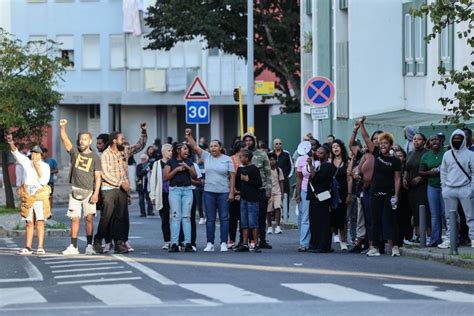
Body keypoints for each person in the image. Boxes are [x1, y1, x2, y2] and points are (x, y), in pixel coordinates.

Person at [93, 123, 147, 254]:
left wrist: (143, 132)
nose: (124, 141)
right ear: (114, 141)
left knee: (120, 217)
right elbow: (105, 173)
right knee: (106, 216)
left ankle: (118, 243)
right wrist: (120, 183)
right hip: (109, 189)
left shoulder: (124, 150)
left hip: (122, 189)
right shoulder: (105, 155)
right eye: (122, 139)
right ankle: (98, 240)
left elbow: (139, 145)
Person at [185, 129, 235, 252]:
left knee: (224, 218)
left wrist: (231, 191)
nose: (213, 148)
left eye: (215, 146)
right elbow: (195, 147)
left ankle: (223, 242)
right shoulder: (207, 157)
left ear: (220, 147)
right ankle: (210, 243)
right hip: (209, 192)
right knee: (210, 219)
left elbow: (232, 176)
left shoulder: (227, 159)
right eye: (211, 146)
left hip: (223, 192)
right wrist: (189, 135)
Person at [59, 119, 102, 255]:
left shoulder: (95, 157)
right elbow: (66, 141)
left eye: (85, 139)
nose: (82, 141)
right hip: (75, 191)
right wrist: (62, 127)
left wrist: (96, 193)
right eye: (80, 139)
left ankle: (89, 245)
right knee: (75, 218)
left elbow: (98, 177)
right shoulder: (75, 153)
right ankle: (74, 246)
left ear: (90, 141)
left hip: (89, 192)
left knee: (89, 218)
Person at [6, 133, 50, 255]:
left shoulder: (45, 166)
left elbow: (44, 181)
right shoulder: (26, 162)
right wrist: (11, 142)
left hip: (39, 194)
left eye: (36, 154)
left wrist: (37, 167)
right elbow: (17, 154)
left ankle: (40, 247)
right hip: (28, 194)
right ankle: (28, 246)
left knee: (40, 221)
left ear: (41, 155)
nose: (34, 156)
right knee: (29, 221)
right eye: (33, 153)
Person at [361, 130, 401, 257]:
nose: (383, 145)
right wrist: (361, 125)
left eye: (386, 143)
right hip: (375, 192)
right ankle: (375, 248)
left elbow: (397, 178)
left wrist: (396, 195)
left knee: (390, 220)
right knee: (374, 221)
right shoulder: (376, 154)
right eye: (381, 143)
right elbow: (367, 138)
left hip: (389, 193)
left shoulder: (395, 161)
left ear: (390, 145)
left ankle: (394, 247)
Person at [352, 117, 383, 253]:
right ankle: (370, 245)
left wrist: (362, 125)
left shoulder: (380, 153)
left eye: (378, 139)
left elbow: (365, 138)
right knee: (368, 218)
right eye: (374, 139)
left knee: (376, 219)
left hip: (378, 189)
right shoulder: (367, 154)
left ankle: (377, 245)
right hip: (366, 188)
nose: (375, 141)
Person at [438, 130, 474, 249]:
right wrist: (444, 188)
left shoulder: (470, 154)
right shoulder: (447, 154)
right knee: (449, 217)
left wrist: (471, 189)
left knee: (470, 216)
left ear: (464, 139)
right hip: (449, 189)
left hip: (465, 188)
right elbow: (443, 172)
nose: (457, 140)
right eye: (455, 138)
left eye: (459, 138)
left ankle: (473, 237)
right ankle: (449, 239)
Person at [163, 142, 197, 252]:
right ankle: (174, 243)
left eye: (187, 149)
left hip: (187, 190)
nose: (187, 151)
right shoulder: (170, 162)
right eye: (185, 149)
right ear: (178, 150)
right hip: (175, 190)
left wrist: (187, 167)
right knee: (175, 217)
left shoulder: (189, 161)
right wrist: (177, 170)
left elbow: (195, 176)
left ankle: (187, 243)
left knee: (186, 217)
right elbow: (165, 177)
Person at [242, 133, 272, 250]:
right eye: (246, 140)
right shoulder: (242, 155)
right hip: (248, 190)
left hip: (261, 189)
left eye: (250, 140)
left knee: (261, 216)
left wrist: (269, 189)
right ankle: (249, 240)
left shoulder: (262, 154)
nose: (248, 142)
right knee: (248, 217)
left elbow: (268, 172)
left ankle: (262, 239)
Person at [307, 145, 337, 253]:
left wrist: (310, 165)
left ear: (327, 154)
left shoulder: (327, 166)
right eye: (318, 152)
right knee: (314, 221)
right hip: (316, 198)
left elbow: (316, 178)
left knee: (322, 222)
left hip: (322, 197)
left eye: (321, 153)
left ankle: (322, 245)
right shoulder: (320, 165)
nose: (318, 154)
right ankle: (315, 244)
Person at [419, 135, 446, 247]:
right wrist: (429, 173)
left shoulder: (446, 153)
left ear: (440, 141)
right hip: (432, 186)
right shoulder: (426, 156)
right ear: (429, 143)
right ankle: (435, 240)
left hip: (445, 186)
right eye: (431, 140)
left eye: (436, 139)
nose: (434, 141)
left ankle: (452, 238)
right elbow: (420, 172)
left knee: (446, 213)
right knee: (434, 214)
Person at [234, 149, 263, 252]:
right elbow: (237, 182)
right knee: (244, 222)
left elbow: (259, 183)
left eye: (241, 157)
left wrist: (248, 180)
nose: (240, 159)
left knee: (253, 222)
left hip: (253, 199)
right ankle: (244, 243)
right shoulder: (240, 169)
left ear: (247, 158)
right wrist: (237, 192)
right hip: (243, 198)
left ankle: (255, 243)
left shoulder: (254, 169)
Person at [404, 133, 430, 243]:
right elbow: (407, 168)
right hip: (411, 187)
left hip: (423, 186)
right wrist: (404, 178)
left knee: (424, 210)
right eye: (414, 139)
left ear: (424, 141)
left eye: (419, 139)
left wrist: (421, 177)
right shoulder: (410, 153)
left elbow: (431, 168)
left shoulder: (427, 153)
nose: (416, 141)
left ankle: (428, 235)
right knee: (414, 211)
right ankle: (418, 235)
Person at [150, 144, 173, 250]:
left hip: (174, 194)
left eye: (172, 150)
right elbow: (153, 181)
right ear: (163, 152)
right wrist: (153, 195)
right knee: (165, 219)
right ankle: (167, 241)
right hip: (162, 194)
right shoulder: (157, 164)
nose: (171, 152)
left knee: (176, 218)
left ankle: (177, 240)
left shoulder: (174, 163)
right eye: (169, 150)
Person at [330, 139, 350, 251]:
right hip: (332, 193)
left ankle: (343, 241)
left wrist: (348, 194)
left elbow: (349, 179)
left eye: (337, 146)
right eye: (333, 147)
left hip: (342, 192)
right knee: (332, 215)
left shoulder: (346, 162)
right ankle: (333, 237)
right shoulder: (329, 161)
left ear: (341, 148)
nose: (336, 149)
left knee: (342, 217)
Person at [269, 138, 294, 220]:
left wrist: (288, 176)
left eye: (280, 143)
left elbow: (291, 166)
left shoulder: (286, 154)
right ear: (274, 145)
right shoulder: (270, 154)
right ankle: (272, 215)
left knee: (285, 195)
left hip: (284, 180)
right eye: (276, 144)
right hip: (273, 180)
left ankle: (285, 214)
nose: (278, 145)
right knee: (273, 196)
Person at [228, 141, 245, 249]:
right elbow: (228, 175)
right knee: (233, 217)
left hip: (245, 191)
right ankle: (231, 239)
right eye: (244, 147)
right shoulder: (231, 159)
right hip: (233, 190)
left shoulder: (247, 159)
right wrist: (231, 190)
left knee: (244, 218)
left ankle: (243, 240)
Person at [266, 153, 285, 234]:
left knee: (278, 208)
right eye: (270, 159)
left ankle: (278, 226)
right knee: (268, 210)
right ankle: (269, 227)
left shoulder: (278, 170)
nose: (272, 161)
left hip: (277, 192)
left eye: (273, 159)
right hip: (269, 192)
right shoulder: (266, 170)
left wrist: (282, 193)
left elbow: (281, 182)